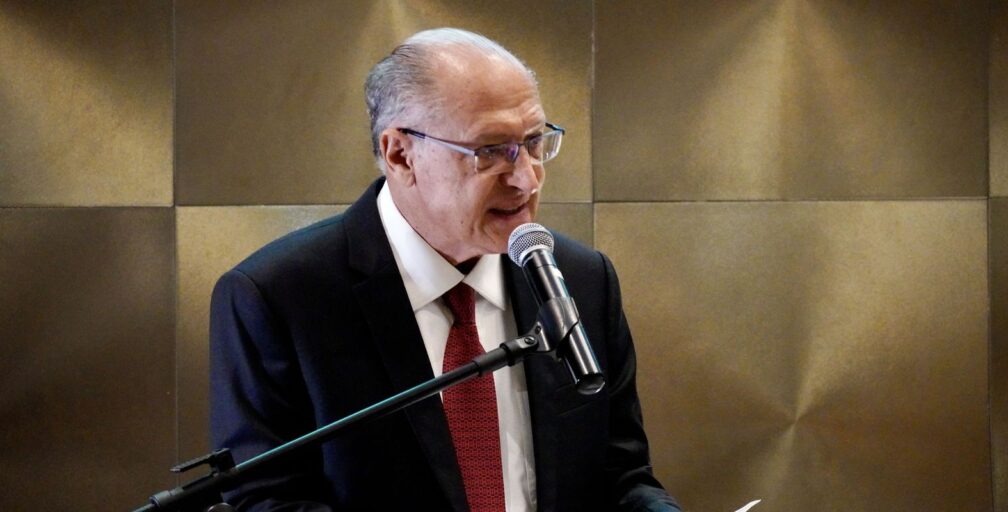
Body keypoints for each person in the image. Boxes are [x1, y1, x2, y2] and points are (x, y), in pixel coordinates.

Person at [209, 28, 681, 512]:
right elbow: (269, 501)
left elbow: (621, 477)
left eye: (534, 142)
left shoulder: (583, 279)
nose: (527, 178)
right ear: (400, 154)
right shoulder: (278, 297)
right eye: (491, 150)